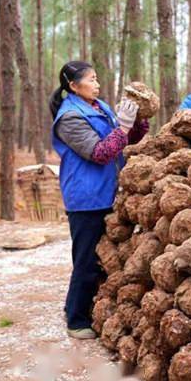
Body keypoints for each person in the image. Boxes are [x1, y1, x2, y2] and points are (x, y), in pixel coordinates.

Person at [50, 61, 149, 339]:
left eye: (97, 79)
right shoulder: (69, 118)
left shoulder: (100, 107)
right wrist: (124, 127)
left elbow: (123, 141)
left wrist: (137, 122)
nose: (97, 84)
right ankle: (77, 320)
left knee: (102, 257)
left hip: (108, 191)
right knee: (86, 259)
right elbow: (101, 152)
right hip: (86, 197)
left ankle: (74, 307)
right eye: (91, 80)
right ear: (73, 86)